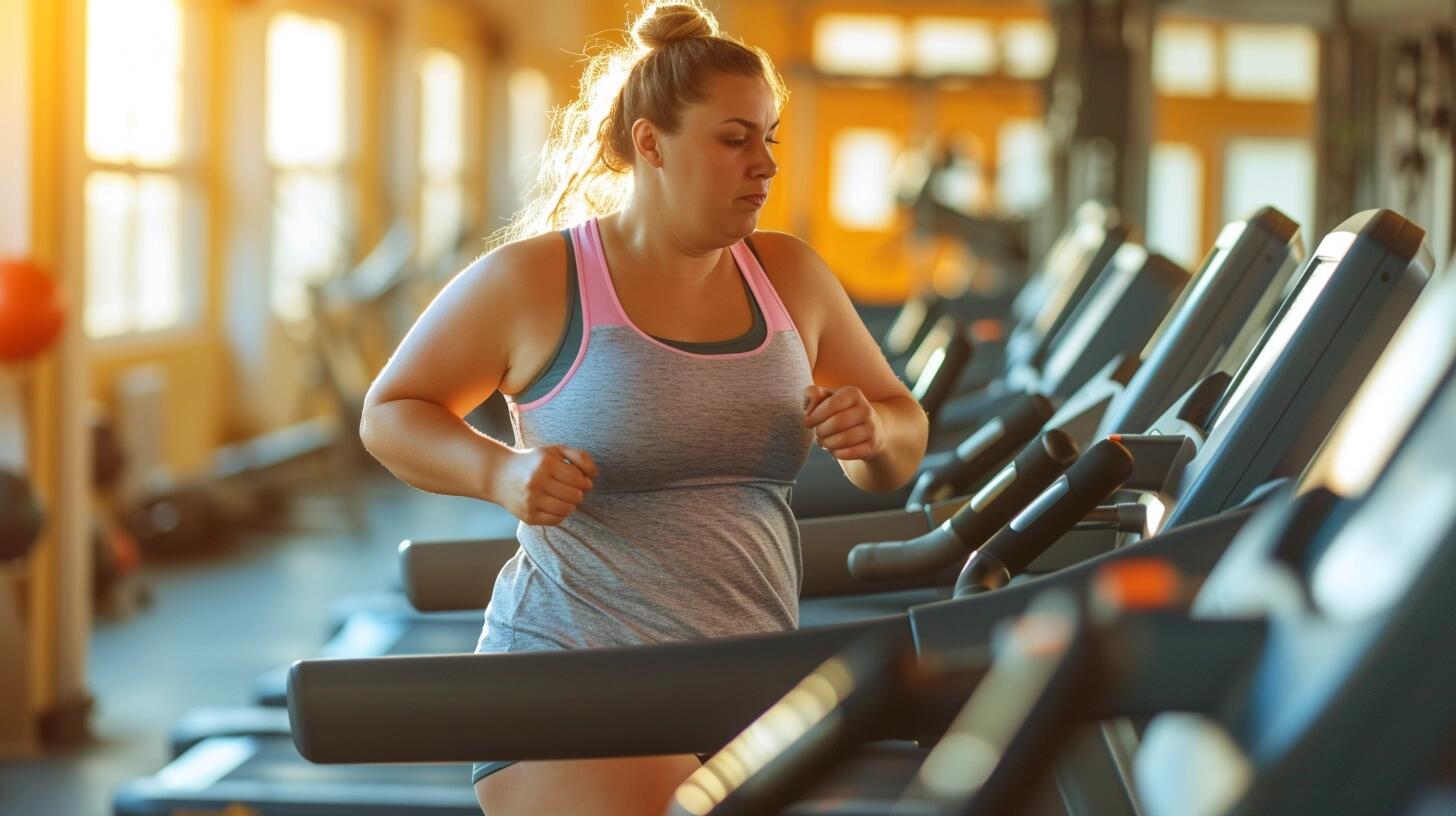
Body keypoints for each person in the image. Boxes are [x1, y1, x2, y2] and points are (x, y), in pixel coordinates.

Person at [360, 2, 928, 813]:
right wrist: (499, 473)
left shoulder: (790, 277)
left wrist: (874, 433)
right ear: (650, 144)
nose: (764, 164)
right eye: (735, 139)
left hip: (754, 686)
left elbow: (899, 434)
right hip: (575, 672)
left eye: (770, 139)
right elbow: (391, 411)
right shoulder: (538, 281)